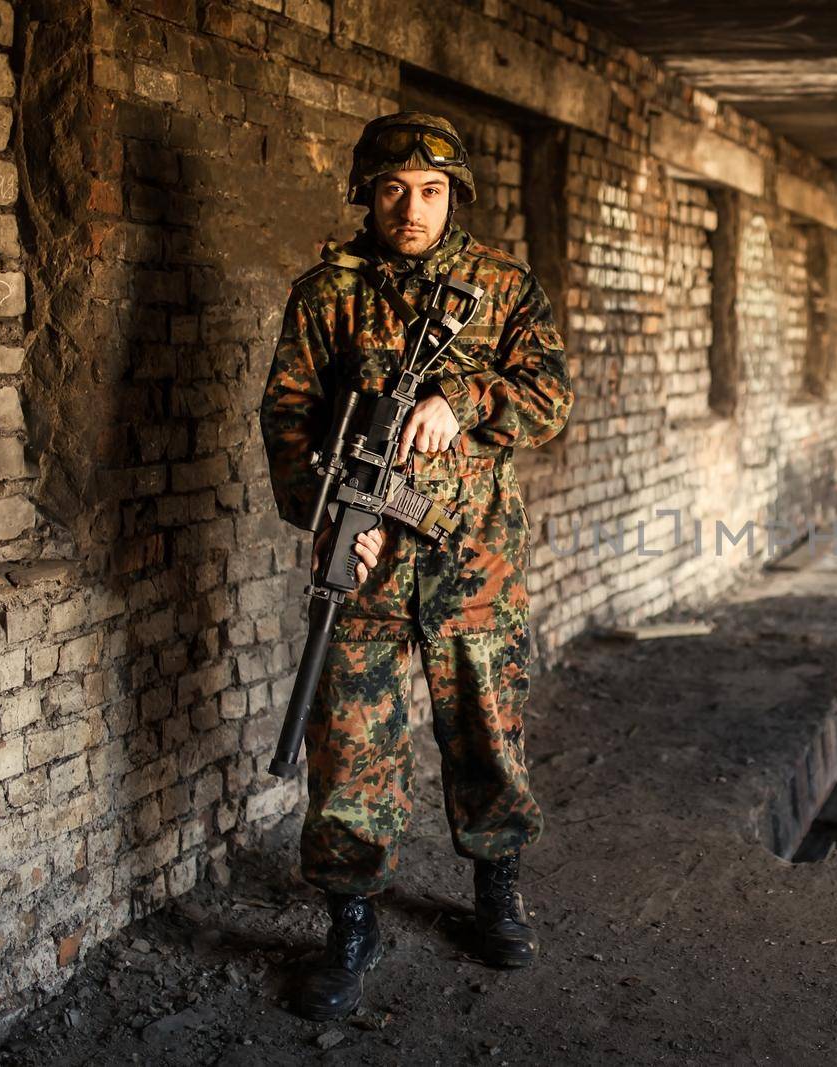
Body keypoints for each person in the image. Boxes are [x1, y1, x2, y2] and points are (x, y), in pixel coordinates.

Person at [258, 111, 573, 1021]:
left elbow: (550, 395)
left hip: (474, 561)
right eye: (394, 191)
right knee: (351, 749)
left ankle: (496, 892)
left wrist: (463, 399)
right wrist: (320, 521)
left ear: (454, 195)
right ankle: (350, 920)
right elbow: (287, 415)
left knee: (487, 736)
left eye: (431, 192)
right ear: (368, 192)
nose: (412, 208)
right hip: (366, 568)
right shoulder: (327, 294)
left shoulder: (502, 285)